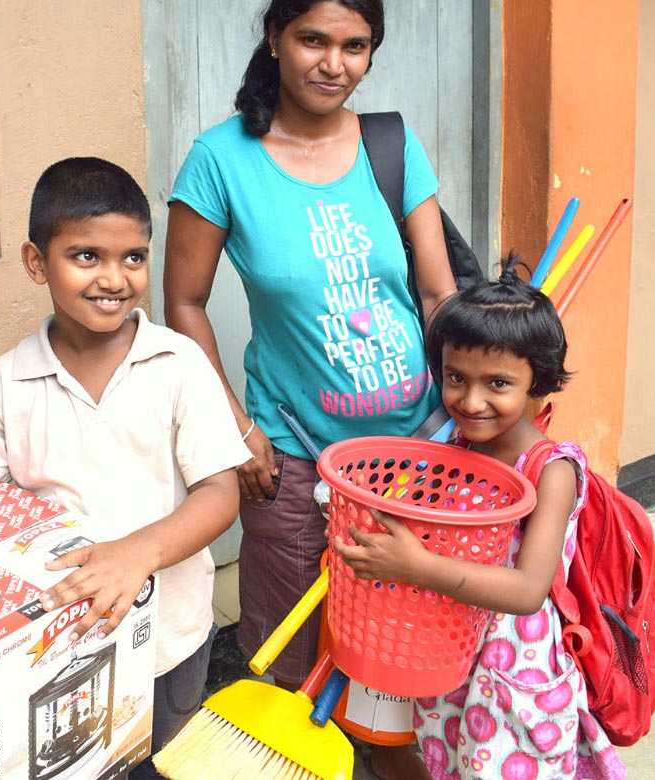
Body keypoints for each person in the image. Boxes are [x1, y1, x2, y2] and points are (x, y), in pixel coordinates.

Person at [0, 157, 252, 780]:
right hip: (52, 653)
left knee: (152, 766)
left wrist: (137, 552)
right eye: (86, 256)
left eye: (134, 256)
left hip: (165, 643)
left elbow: (219, 494)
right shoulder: (5, 381)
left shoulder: (178, 364)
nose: (115, 277)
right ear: (35, 261)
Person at [164, 1, 454, 776]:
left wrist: (475, 405)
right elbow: (183, 302)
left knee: (401, 655)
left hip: (419, 457)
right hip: (294, 456)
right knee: (292, 655)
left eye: (355, 45)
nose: (335, 63)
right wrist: (237, 430)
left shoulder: (391, 145)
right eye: (314, 40)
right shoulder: (222, 159)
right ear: (275, 38)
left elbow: (438, 296)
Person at [334, 255, 626, 779]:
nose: (470, 400)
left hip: (515, 676)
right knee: (452, 762)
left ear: (540, 383)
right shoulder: (452, 449)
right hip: (450, 658)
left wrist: (417, 568)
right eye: (455, 378)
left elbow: (527, 589)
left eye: (497, 384)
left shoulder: (550, 470)